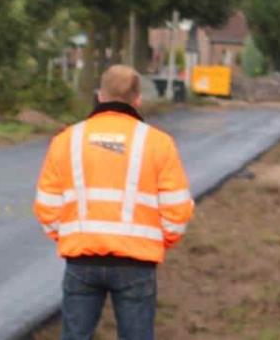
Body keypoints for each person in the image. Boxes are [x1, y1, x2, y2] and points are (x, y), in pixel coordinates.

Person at [34, 65, 195, 340]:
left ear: (99, 95)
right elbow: (177, 211)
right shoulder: (159, 143)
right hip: (137, 263)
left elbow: (46, 205)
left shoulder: (66, 140)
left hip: (82, 260)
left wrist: (70, 237)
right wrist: (157, 242)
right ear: (138, 100)